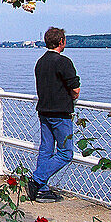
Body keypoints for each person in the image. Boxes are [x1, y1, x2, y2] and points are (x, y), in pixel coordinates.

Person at [28, 26, 80, 203]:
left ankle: (41, 190)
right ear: (61, 42)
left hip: (43, 111)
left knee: (46, 149)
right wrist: (73, 96)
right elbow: (75, 89)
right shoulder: (63, 62)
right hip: (60, 113)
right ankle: (37, 179)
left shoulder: (40, 62)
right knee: (66, 153)